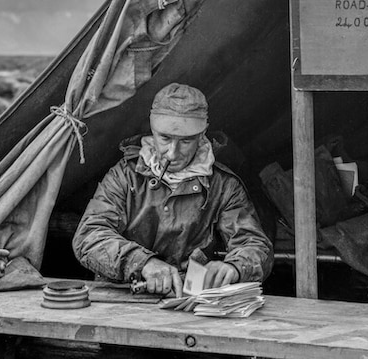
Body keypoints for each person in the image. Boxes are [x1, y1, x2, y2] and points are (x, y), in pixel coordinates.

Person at [72, 83, 272, 297]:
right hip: (121, 296)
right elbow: (89, 236)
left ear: (202, 134)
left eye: (186, 141)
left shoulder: (223, 185)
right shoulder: (125, 175)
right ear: (152, 131)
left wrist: (235, 268)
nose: (172, 153)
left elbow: (255, 244)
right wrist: (142, 263)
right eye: (165, 138)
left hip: (190, 298)